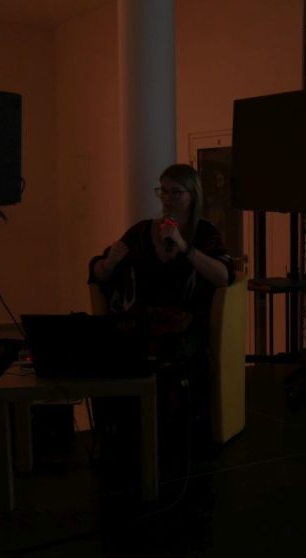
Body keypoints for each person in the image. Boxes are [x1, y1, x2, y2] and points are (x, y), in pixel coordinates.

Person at [88, 163, 234, 463]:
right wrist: (110, 263)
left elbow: (223, 276)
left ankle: (170, 443)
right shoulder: (142, 231)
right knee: (105, 354)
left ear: (192, 196)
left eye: (175, 193)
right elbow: (99, 271)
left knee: (175, 358)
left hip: (183, 324)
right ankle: (119, 441)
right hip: (139, 322)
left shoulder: (205, 233)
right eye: (163, 191)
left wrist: (184, 247)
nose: (167, 199)